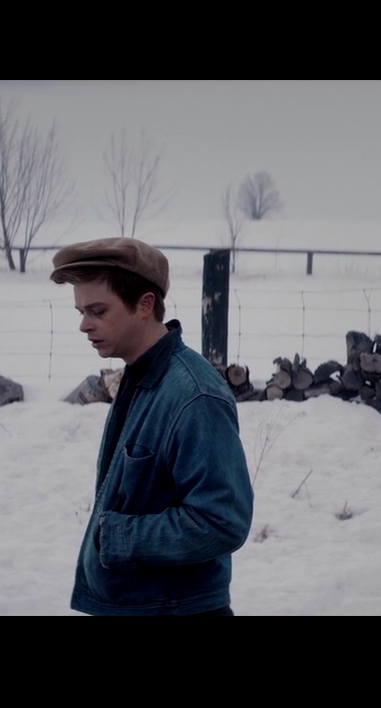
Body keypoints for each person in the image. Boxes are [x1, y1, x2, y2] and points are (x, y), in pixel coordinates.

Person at [50, 237, 255, 616]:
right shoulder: (142, 376)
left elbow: (223, 521)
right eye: (80, 311)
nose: (84, 325)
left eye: (97, 311)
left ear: (145, 305)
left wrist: (117, 538)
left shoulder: (194, 396)